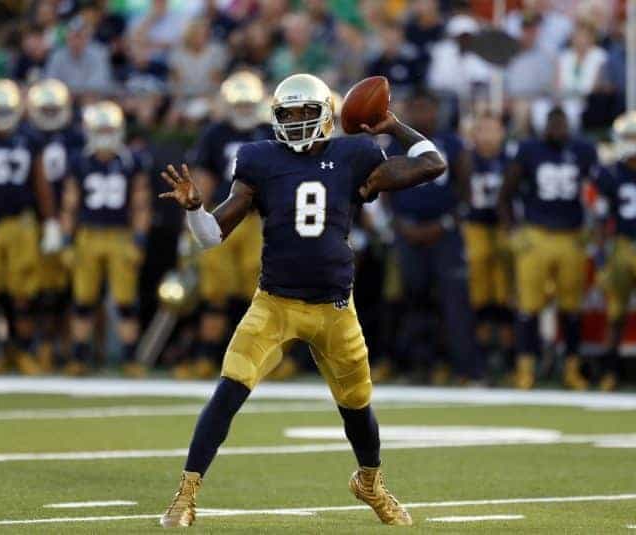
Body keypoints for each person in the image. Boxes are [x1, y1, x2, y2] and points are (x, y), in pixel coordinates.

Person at [158, 73, 446, 527]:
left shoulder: (355, 157)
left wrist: (392, 125)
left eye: (303, 113)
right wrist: (195, 210)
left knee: (357, 407)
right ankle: (186, 492)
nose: (293, 122)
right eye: (286, 114)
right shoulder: (260, 160)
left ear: (325, 116)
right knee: (229, 389)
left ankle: (369, 481)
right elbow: (212, 237)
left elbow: (433, 164)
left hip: (334, 308)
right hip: (275, 303)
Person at [177, 71, 271, 380]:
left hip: (258, 219)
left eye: (248, 103)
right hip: (222, 217)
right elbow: (202, 181)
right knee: (215, 289)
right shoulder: (215, 133)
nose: (244, 108)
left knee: (258, 291)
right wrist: (191, 221)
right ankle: (208, 355)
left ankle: (260, 359)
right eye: (239, 103)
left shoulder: (268, 130)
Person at [498, 106, 597, 390]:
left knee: (572, 309)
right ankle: (525, 369)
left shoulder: (583, 150)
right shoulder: (529, 150)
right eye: (553, 123)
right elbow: (506, 193)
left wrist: (595, 227)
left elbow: (599, 190)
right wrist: (513, 230)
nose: (557, 129)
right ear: (544, 126)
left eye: (561, 123)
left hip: (571, 235)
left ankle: (571, 370)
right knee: (528, 308)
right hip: (536, 234)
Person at [388, 90, 483, 384]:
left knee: (453, 303)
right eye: (415, 108)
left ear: (437, 110)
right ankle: (419, 366)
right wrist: (400, 226)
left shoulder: (453, 144)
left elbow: (466, 193)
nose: (420, 115)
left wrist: (444, 224)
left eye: (426, 108)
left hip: (445, 234)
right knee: (415, 302)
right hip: (408, 232)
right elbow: (384, 189)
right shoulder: (395, 144)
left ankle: (464, 368)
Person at [61, 101, 151, 377]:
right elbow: (70, 204)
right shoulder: (80, 161)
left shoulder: (130, 160)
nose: (104, 135)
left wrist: (139, 238)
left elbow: (141, 203)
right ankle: (78, 357)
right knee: (83, 300)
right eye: (99, 129)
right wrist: (66, 240)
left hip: (120, 235)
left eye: (109, 129)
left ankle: (130, 358)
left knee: (125, 302)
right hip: (88, 235)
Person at [0, 79, 61, 375]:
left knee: (23, 293)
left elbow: (41, 183)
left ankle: (21, 350)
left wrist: (50, 221)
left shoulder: (29, 138)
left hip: (21, 222)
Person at [25, 78, 85, 371]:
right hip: (32, 219)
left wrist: (69, 220)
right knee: (37, 288)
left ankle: (73, 349)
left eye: (54, 108)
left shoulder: (76, 137)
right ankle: (40, 347)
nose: (49, 113)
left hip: (72, 219)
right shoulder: (26, 135)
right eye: (44, 108)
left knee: (74, 290)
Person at [594, 111, 636, 391]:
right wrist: (601, 255)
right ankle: (610, 372)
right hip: (621, 244)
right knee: (615, 313)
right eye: (628, 137)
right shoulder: (610, 173)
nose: (632, 143)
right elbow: (600, 217)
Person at [463, 112, 515, 377]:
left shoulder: (511, 160)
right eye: (482, 129)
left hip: (502, 228)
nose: (487, 135)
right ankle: (479, 360)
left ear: (502, 133)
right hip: (476, 227)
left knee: (505, 291)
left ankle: (507, 359)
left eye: (493, 129)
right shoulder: (466, 159)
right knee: (479, 291)